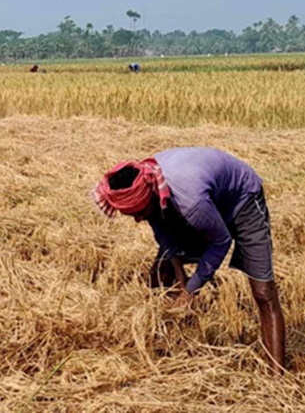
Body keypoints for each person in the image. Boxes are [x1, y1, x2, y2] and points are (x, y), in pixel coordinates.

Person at [92, 147, 285, 373]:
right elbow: (163, 236)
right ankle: (172, 346)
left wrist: (190, 290)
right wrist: (180, 277)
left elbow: (221, 241)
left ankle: (277, 376)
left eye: (139, 212)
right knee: (161, 271)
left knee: (263, 291)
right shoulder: (151, 185)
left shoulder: (190, 201)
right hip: (207, 198)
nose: (137, 219)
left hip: (242, 201)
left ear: (151, 196)